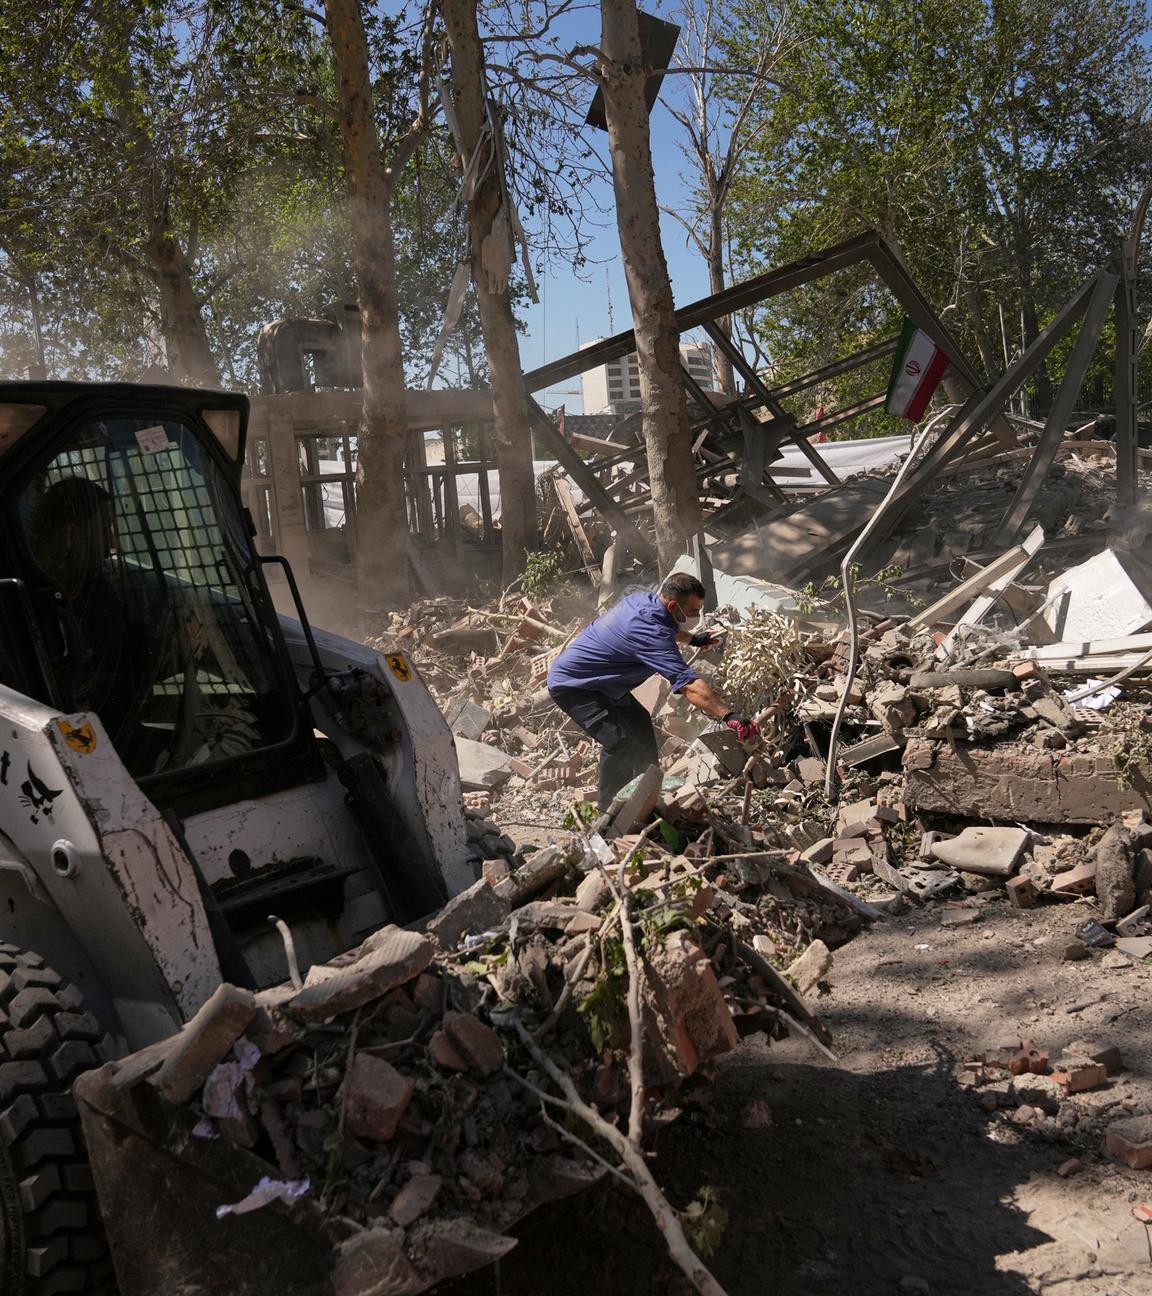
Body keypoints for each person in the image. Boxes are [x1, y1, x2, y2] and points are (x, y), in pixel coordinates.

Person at [547, 572, 761, 811]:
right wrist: (729, 716)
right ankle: (608, 815)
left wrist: (693, 639)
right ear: (673, 605)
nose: (695, 616)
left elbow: (665, 626)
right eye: (691, 611)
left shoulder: (644, 601)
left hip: (602, 683)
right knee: (620, 743)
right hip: (575, 686)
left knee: (641, 727)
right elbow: (687, 683)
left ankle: (645, 796)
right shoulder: (651, 635)